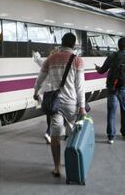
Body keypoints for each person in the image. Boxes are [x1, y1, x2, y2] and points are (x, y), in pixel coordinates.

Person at [33, 33, 86, 177]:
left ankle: (57, 167)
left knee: (55, 136)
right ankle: (71, 163)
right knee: (73, 134)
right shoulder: (77, 60)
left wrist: (36, 92)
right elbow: (80, 86)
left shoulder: (51, 58)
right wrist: (82, 106)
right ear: (74, 44)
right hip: (71, 103)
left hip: (55, 103)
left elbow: (40, 79)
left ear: (61, 43)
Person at [95, 37, 125, 144]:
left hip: (112, 88)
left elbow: (102, 70)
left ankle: (111, 136)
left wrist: (98, 68)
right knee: (124, 110)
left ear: (118, 45)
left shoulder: (112, 56)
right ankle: (124, 132)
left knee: (111, 112)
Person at [33, 49, 58, 144]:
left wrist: (35, 92)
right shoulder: (59, 65)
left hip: (47, 91)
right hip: (56, 92)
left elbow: (37, 59)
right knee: (56, 113)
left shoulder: (46, 63)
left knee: (49, 112)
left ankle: (49, 131)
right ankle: (49, 132)